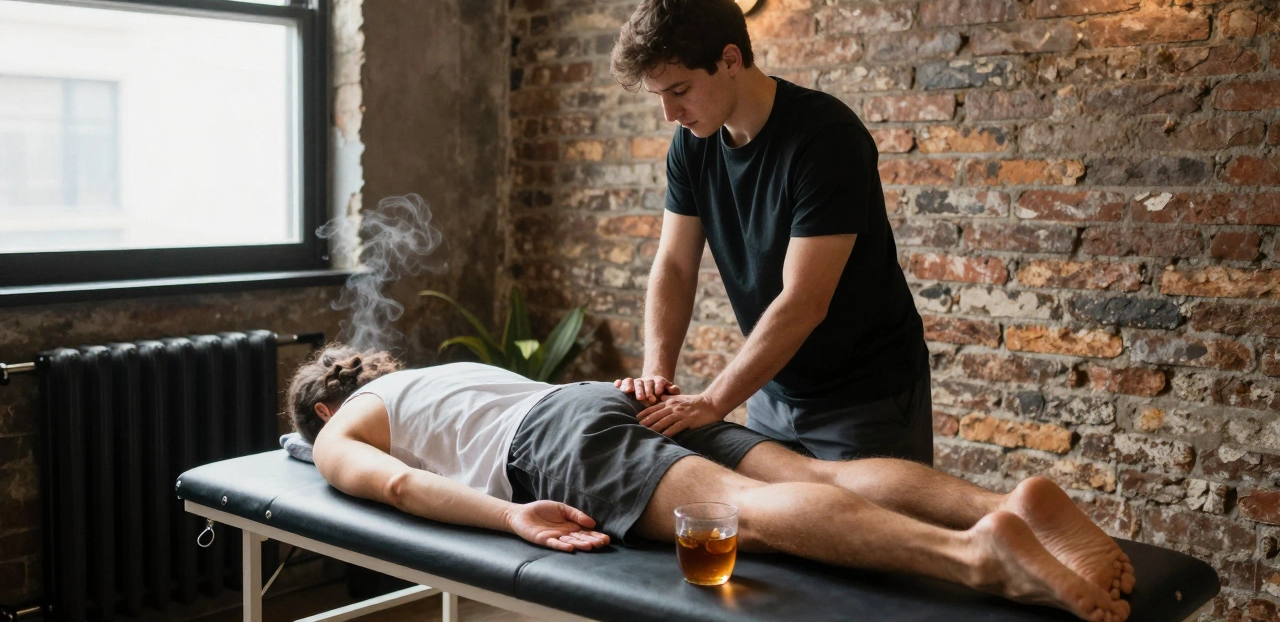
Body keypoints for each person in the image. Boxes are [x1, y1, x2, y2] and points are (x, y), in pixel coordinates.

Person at [290, 345, 1134, 622]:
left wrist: (512, 517)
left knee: (744, 516)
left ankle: (974, 555)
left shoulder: (340, 427)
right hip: (596, 396)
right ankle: (1004, 503)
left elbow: (398, 490)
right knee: (812, 471)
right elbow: (564, 403)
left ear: (323, 404)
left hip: (552, 439)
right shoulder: (442, 373)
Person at [608, 0, 931, 464]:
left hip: (866, 401)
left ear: (731, 60)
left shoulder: (827, 138)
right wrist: (657, 373)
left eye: (679, 91)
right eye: (658, 96)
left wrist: (714, 401)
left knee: (875, 538)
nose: (669, 113)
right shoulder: (692, 145)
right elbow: (674, 264)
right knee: (772, 534)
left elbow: (804, 300)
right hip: (772, 391)